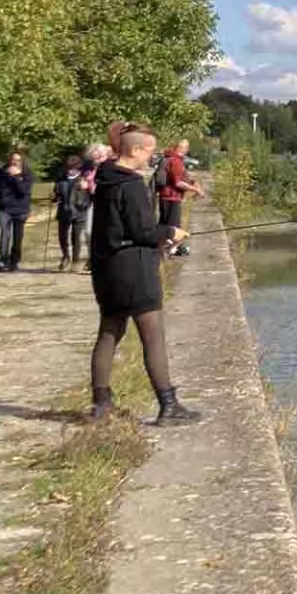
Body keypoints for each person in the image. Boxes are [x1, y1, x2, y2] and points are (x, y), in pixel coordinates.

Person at [87, 127, 198, 425]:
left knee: (109, 333)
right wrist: (171, 232)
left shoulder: (106, 178)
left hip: (107, 269)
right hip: (135, 270)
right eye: (150, 151)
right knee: (153, 338)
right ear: (135, 150)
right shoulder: (131, 185)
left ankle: (101, 404)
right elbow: (143, 232)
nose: (153, 157)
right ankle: (169, 406)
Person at [157, 138, 203, 257]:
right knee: (174, 230)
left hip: (166, 198)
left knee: (165, 227)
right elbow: (178, 183)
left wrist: (193, 182)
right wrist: (196, 189)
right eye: (182, 147)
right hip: (171, 198)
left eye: (185, 147)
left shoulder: (170, 159)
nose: (184, 150)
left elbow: (182, 178)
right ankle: (168, 251)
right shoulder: (176, 161)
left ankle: (164, 252)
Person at [0, 151, 32, 272]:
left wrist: (17, 177)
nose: (15, 162)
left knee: (18, 236)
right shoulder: (2, 172)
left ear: (22, 161)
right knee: (4, 234)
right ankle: (3, 259)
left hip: (20, 209)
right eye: (13, 159)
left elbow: (23, 191)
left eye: (18, 160)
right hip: (4, 208)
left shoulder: (27, 174)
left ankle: (15, 261)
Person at [54, 154, 92, 271]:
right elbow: (56, 195)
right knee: (62, 236)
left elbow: (89, 197)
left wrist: (84, 205)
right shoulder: (61, 180)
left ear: (78, 168)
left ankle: (75, 260)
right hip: (64, 211)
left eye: (73, 168)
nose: (70, 171)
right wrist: (54, 197)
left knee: (75, 238)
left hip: (79, 212)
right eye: (68, 168)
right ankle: (66, 256)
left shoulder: (83, 180)